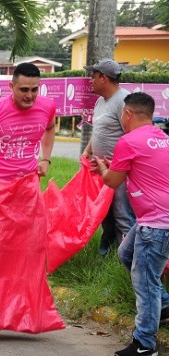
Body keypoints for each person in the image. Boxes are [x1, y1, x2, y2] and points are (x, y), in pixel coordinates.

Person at [0, 62, 64, 333]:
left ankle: (31, 316)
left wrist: (45, 158)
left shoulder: (47, 107)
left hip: (28, 189)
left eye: (34, 89)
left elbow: (50, 128)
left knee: (31, 254)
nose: (29, 95)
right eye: (23, 90)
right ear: (11, 87)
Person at [93, 92, 169, 356]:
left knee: (145, 281)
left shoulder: (128, 141)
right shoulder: (162, 138)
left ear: (126, 114)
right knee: (125, 254)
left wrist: (103, 168)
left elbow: (113, 182)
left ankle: (145, 343)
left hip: (156, 225)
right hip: (154, 220)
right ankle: (165, 305)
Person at [82, 58, 135, 256]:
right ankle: (107, 254)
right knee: (106, 215)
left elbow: (132, 138)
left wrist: (118, 165)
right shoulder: (100, 101)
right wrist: (88, 150)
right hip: (103, 171)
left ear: (104, 78)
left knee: (123, 216)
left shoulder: (124, 101)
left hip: (120, 173)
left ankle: (128, 261)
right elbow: (100, 130)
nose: (90, 81)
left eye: (93, 77)